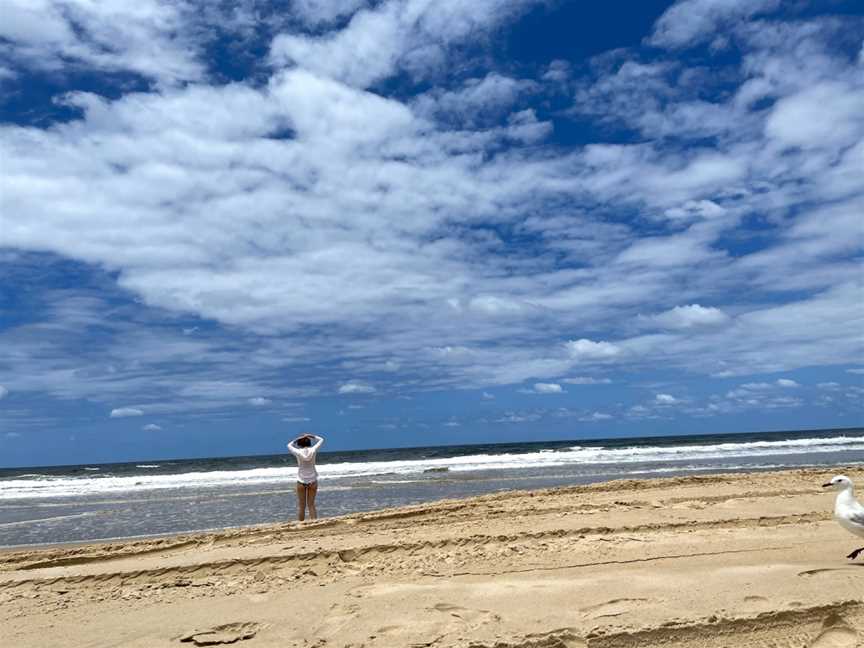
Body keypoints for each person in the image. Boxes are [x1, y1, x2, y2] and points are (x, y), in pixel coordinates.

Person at [287, 433, 324, 521]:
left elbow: (288, 445)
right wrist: (310, 435)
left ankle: (301, 524)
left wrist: (298, 438)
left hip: (301, 481)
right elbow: (321, 439)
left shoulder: (298, 452)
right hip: (313, 481)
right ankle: (315, 523)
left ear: (299, 444)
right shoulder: (313, 450)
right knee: (311, 505)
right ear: (309, 443)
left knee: (302, 506)